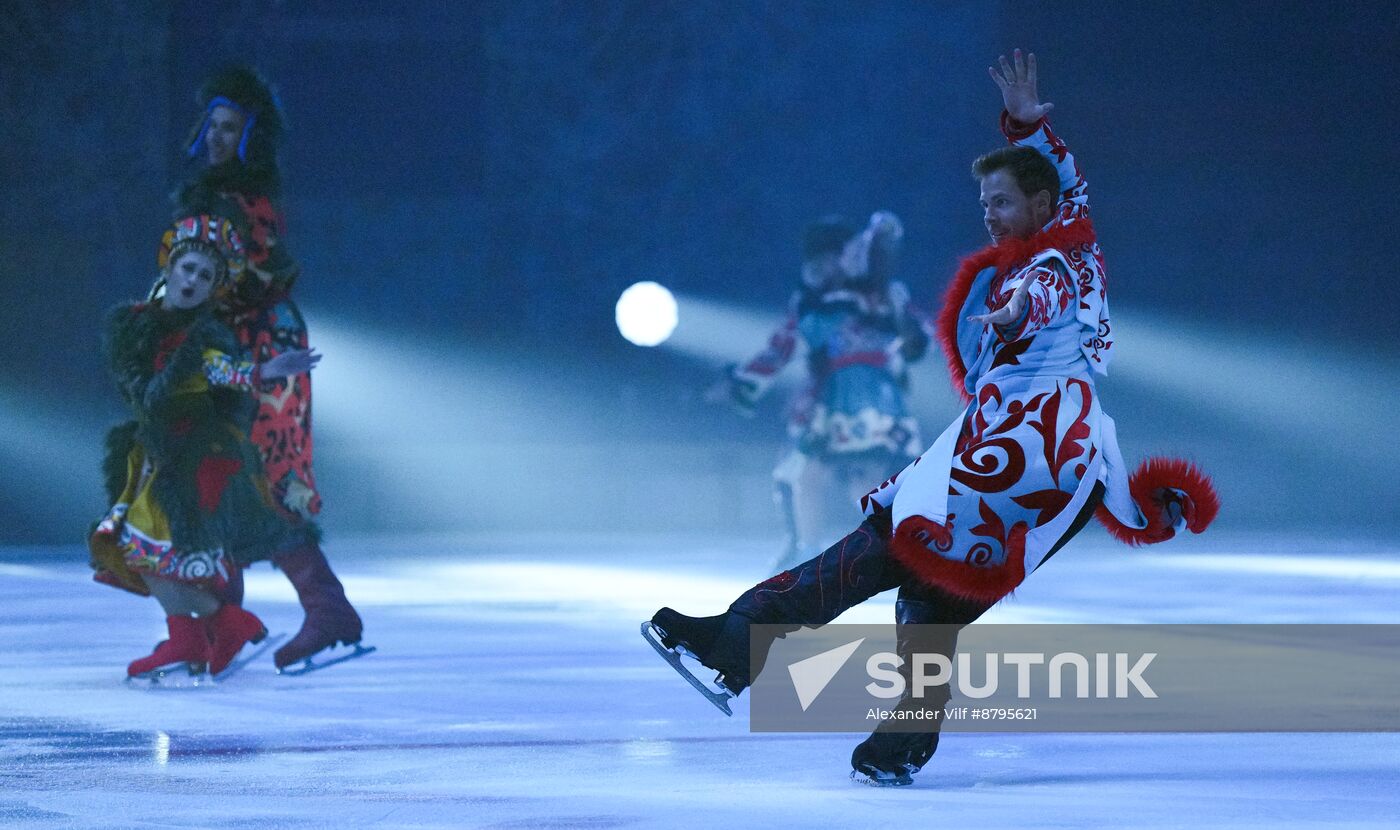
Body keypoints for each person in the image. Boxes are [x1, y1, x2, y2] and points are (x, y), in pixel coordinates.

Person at [645, 50, 1219, 785]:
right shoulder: (1062, 236)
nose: (990, 213)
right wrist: (1026, 124)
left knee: (885, 547)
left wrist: (1012, 308)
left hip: (1021, 456)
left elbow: (1038, 294)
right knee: (928, 600)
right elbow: (1062, 187)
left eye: (1003, 202)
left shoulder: (1056, 265)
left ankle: (736, 645)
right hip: (1030, 452)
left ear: (1041, 207)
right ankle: (900, 740)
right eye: (984, 203)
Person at [174, 66, 364, 671]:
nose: (216, 138)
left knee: (265, 475)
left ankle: (318, 608)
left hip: (262, 346)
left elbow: (245, 278)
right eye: (213, 126)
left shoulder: (241, 201)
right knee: (219, 472)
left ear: (249, 136)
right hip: (233, 341)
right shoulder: (218, 195)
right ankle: (224, 619)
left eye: (230, 129)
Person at [90, 215, 321, 679]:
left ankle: (209, 629)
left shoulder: (202, 337)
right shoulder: (136, 324)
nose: (192, 280)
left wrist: (260, 373)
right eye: (188, 269)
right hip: (154, 455)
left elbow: (221, 371)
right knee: (146, 553)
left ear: (214, 288)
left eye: (205, 276)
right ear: (170, 269)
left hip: (190, 456)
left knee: (142, 550)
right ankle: (199, 634)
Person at [710, 211, 933, 570]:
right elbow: (781, 347)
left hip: (869, 396)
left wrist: (904, 329)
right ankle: (809, 554)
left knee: (862, 482)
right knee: (806, 475)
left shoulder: (881, 296)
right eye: (816, 261)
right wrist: (741, 381)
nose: (822, 267)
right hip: (831, 400)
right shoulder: (814, 304)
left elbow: (918, 337)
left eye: (831, 257)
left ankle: (881, 554)